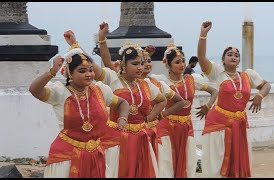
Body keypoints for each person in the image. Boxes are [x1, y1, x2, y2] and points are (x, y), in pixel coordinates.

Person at [29, 46, 130, 178]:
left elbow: (123, 103)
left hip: (96, 154)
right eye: (82, 71)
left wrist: (123, 118)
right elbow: (34, 90)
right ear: (70, 73)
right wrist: (51, 72)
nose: (89, 74)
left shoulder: (100, 91)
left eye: (91, 70)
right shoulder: (60, 92)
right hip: (67, 157)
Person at [197, 21, 271, 178]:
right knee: (218, 160)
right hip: (219, 124)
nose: (233, 57)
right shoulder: (217, 73)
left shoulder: (247, 75)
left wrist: (259, 96)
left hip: (239, 124)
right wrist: (203, 34)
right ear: (223, 60)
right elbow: (202, 57)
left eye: (236, 55)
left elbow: (266, 85)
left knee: (238, 162)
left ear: (239, 61)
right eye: (229, 54)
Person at [93, 22, 167, 178]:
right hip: (117, 139)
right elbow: (103, 64)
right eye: (135, 64)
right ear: (123, 65)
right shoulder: (113, 80)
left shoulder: (146, 85)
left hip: (141, 137)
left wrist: (151, 116)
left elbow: (162, 101)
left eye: (141, 63)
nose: (140, 67)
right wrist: (101, 39)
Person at [151, 44, 218, 178]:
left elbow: (215, 91)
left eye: (183, 61)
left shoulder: (192, 80)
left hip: (187, 126)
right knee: (166, 163)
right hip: (167, 126)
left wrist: (208, 105)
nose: (182, 64)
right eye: (177, 62)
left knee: (189, 161)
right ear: (168, 65)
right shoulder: (162, 82)